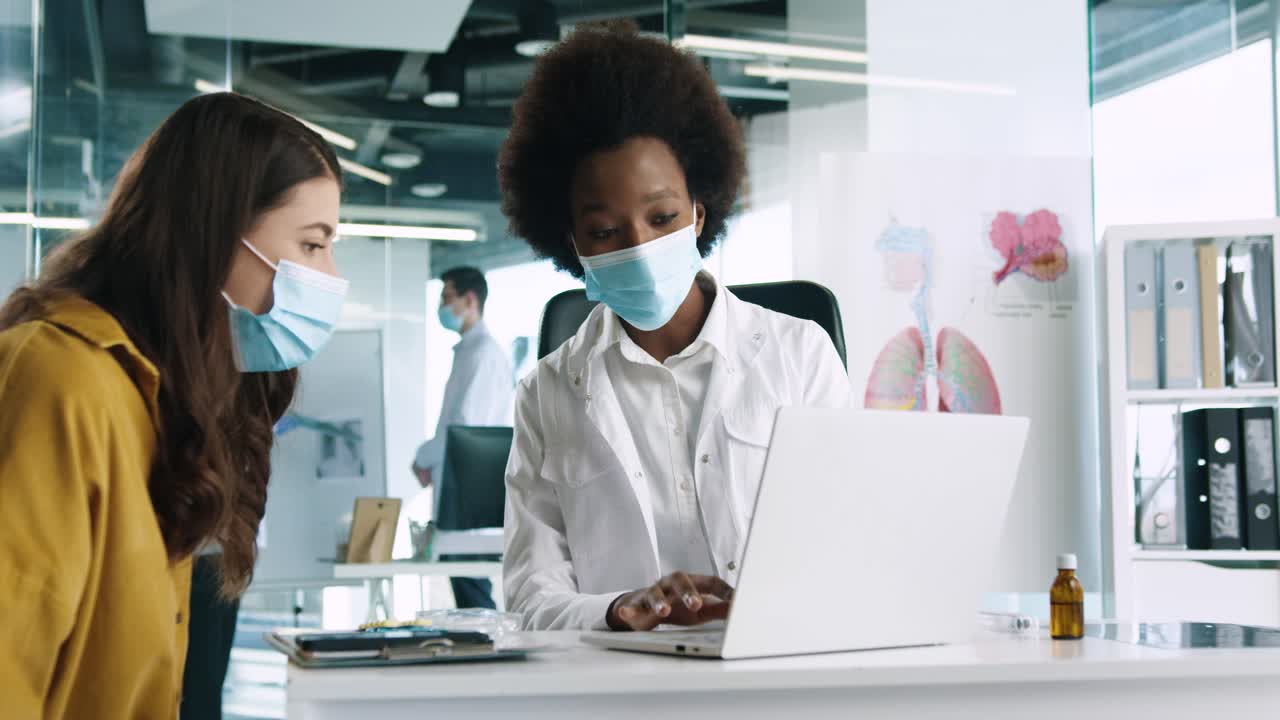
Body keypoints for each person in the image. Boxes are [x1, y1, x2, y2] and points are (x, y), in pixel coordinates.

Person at [0, 92, 347, 717]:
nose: (328, 272)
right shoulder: (57, 379)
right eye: (313, 244)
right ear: (215, 234)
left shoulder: (176, 398)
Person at [498, 22, 853, 632]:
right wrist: (619, 609)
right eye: (607, 231)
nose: (639, 248)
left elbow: (852, 538)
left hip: (773, 673)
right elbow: (532, 596)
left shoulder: (800, 354)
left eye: (662, 217)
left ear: (698, 212)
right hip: (624, 686)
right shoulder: (547, 394)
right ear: (572, 243)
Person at [412, 266, 514, 609]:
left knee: (474, 596)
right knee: (468, 592)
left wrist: (423, 458)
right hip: (461, 497)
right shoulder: (470, 352)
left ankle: (492, 662)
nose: (442, 306)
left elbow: (463, 428)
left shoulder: (484, 354)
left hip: (471, 503)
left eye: (446, 297)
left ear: (470, 300)